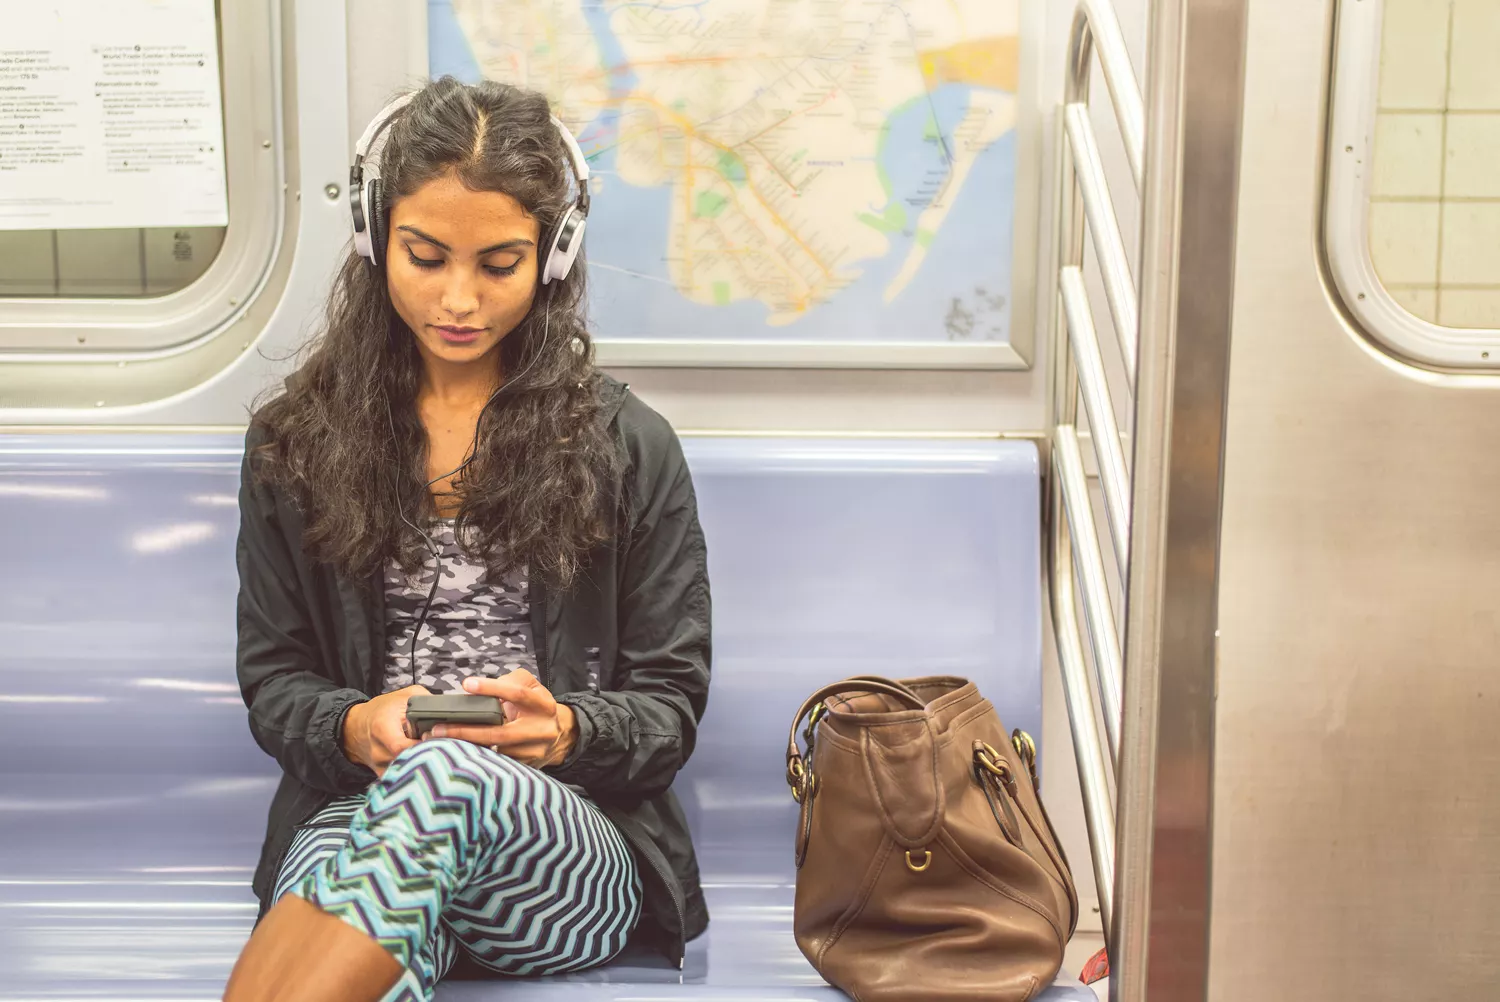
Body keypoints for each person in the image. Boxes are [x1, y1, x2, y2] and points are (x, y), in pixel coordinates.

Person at [223, 77, 711, 1002]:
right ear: (376, 237)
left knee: (446, 778)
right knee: (380, 920)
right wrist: (355, 725)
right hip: (369, 825)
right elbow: (277, 678)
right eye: (426, 256)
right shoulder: (294, 441)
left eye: (498, 264)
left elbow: (668, 708)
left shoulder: (626, 447)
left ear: (553, 258)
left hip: (569, 854)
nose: (459, 299)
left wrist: (565, 730)